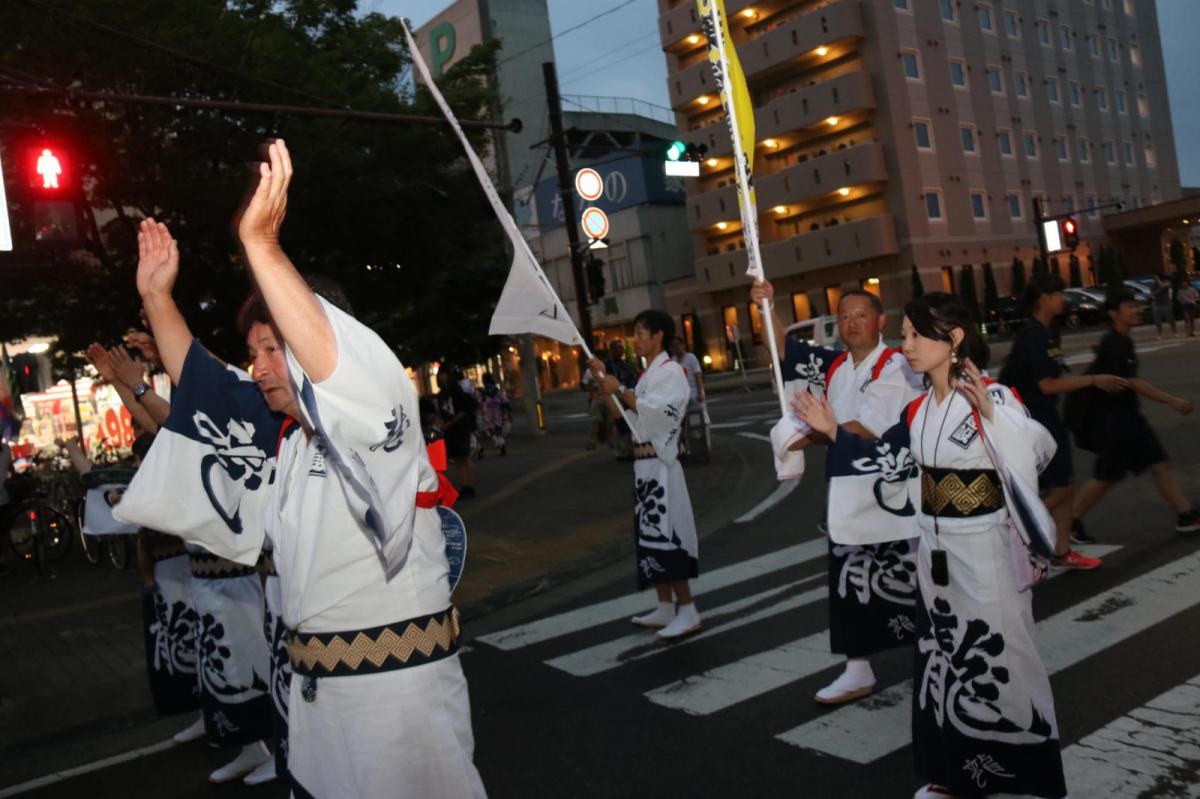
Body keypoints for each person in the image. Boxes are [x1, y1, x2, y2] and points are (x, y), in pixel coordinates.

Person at [115, 140, 485, 798]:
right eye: (252, 351)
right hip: (314, 701)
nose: (255, 366)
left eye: (269, 349)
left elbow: (328, 351)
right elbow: (205, 391)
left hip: (393, 702)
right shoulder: (288, 442)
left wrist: (261, 244)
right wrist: (157, 300)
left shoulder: (377, 402)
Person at [796, 292, 1067, 799]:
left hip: (985, 553)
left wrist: (992, 414)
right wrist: (834, 431)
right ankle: (953, 776)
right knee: (943, 663)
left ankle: (1026, 781)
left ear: (954, 339)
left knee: (1001, 662)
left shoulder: (996, 396)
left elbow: (1037, 449)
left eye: (916, 334)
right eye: (906, 333)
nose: (907, 344)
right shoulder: (920, 408)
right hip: (935, 556)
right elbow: (887, 461)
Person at [752, 279, 923, 705]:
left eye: (861, 314)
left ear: (881, 321)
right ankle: (857, 668)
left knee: (913, 582)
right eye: (844, 316)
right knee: (849, 580)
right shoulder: (835, 366)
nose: (851, 323)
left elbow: (867, 426)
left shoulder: (896, 365)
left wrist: (802, 436)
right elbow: (783, 351)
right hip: (847, 491)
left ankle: (934, 658)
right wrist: (766, 307)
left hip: (892, 494)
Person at [589, 310, 701, 639]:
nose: (635, 339)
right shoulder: (647, 376)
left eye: (641, 333)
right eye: (635, 333)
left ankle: (688, 608)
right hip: (646, 468)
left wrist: (619, 387)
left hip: (662, 468)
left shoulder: (673, 373)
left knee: (668, 535)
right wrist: (603, 381)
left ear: (658, 337)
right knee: (652, 536)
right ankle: (665, 606)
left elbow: (657, 414)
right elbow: (627, 417)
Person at [998, 273, 1123, 566]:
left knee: (1065, 484)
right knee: (1059, 489)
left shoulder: (1046, 332)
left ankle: (1061, 551)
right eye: (1059, 294)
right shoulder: (1035, 336)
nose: (1064, 299)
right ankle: (1007, 533)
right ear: (1044, 298)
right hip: (1034, 419)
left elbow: (1056, 377)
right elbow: (1047, 385)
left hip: (1044, 416)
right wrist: (1094, 380)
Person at [1071, 288, 1200, 538]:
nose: (1136, 310)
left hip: (1128, 416)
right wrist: (1173, 401)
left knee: (1159, 463)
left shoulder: (1120, 340)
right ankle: (1071, 521)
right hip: (1116, 420)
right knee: (1107, 475)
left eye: (1135, 305)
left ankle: (1186, 514)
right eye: (1129, 306)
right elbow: (1130, 382)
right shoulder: (1115, 342)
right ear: (1113, 313)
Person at [437, 367, 479, 498]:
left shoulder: (457, 390)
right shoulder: (443, 393)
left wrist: (450, 422)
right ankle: (464, 486)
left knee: (465, 457)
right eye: (440, 375)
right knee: (457, 459)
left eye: (444, 374)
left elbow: (464, 410)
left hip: (460, 428)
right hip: (450, 430)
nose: (441, 377)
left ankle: (469, 485)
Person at [478, 372, 507, 457]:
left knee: (491, 428)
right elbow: (500, 397)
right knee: (498, 427)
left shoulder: (485, 389)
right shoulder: (495, 387)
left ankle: (499, 444)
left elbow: (482, 400)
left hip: (489, 410)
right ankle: (501, 442)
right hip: (497, 409)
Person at [1150, 272, 1176, 338]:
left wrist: (1158, 280)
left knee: (1170, 319)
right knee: (1157, 320)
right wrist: (1160, 290)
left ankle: (1175, 332)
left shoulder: (1167, 282)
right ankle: (1160, 334)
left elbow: (1162, 285)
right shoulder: (1153, 284)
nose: (1155, 279)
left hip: (1166, 303)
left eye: (1156, 278)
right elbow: (1152, 294)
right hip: (1157, 304)